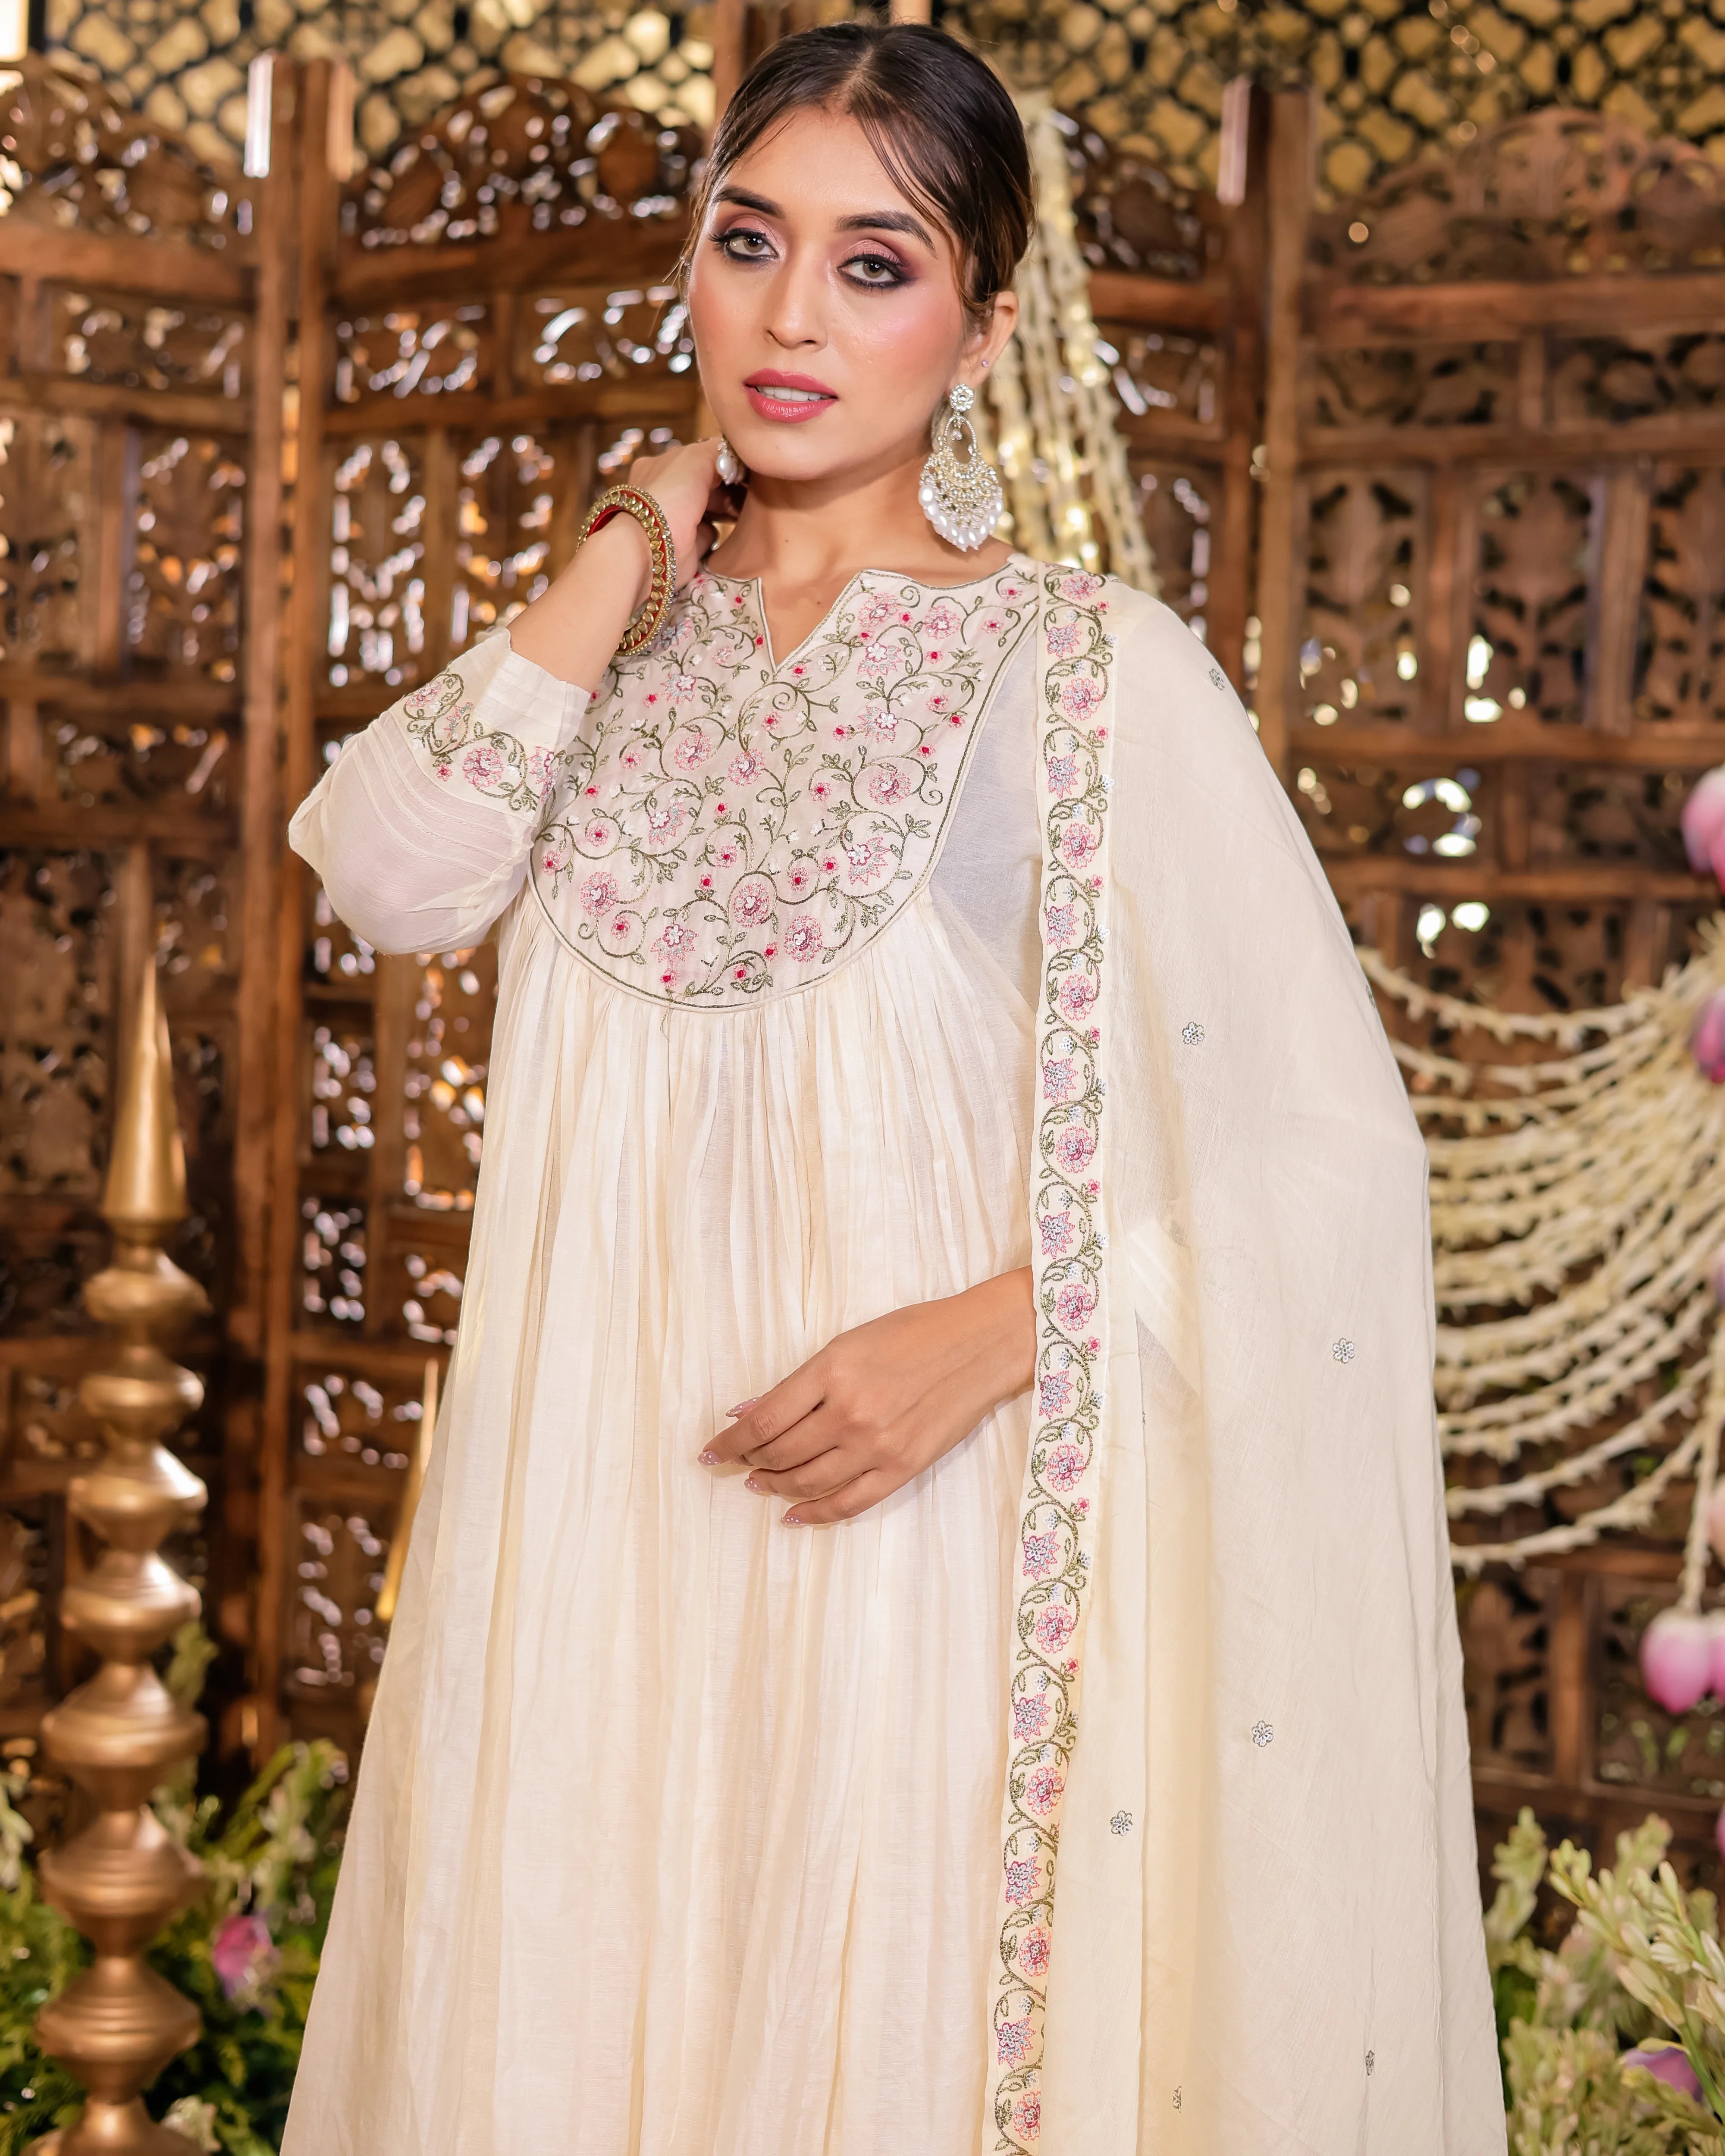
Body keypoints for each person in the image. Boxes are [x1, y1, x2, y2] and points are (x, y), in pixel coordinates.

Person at [280, 23, 1502, 2154]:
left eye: (876, 260)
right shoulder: (605, 661)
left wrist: (995, 1331)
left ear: (984, 320)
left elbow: (1334, 1159)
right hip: (587, 1565)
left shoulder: (1081, 668)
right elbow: (388, 872)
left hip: (907, 1567)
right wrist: (628, 541)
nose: (789, 313)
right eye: (748, 242)